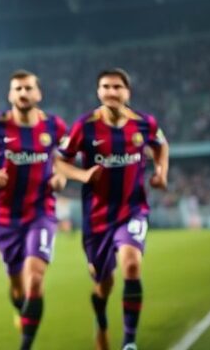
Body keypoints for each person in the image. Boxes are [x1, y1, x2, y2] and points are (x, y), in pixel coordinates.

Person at [57, 68, 169, 350]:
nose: (111, 91)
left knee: (131, 265)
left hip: (132, 210)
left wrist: (161, 171)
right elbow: (59, 160)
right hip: (96, 219)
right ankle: (102, 321)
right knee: (103, 285)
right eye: (105, 87)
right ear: (98, 92)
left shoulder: (144, 123)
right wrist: (82, 176)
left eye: (117, 87)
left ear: (127, 92)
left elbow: (161, 145)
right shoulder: (85, 126)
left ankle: (129, 342)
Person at [0, 70, 67, 350]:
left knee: (35, 277)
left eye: (28, 88)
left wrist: (61, 177)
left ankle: (25, 345)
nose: (23, 93)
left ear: (38, 93)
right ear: (11, 95)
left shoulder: (54, 126)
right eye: (18, 89)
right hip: (6, 218)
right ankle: (20, 308)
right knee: (17, 286)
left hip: (41, 213)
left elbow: (63, 160)